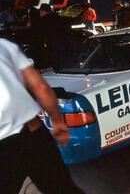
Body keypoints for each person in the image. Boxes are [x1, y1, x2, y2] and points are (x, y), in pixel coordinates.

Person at [0, 38, 84, 193]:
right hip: (33, 132)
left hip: (4, 146)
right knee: (61, 189)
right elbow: (41, 88)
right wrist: (58, 122)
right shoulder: (4, 46)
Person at [38, 3, 71, 68]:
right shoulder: (58, 16)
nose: (40, 13)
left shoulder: (44, 19)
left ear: (43, 11)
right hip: (63, 39)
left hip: (53, 41)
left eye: (40, 11)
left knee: (55, 57)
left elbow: (44, 32)